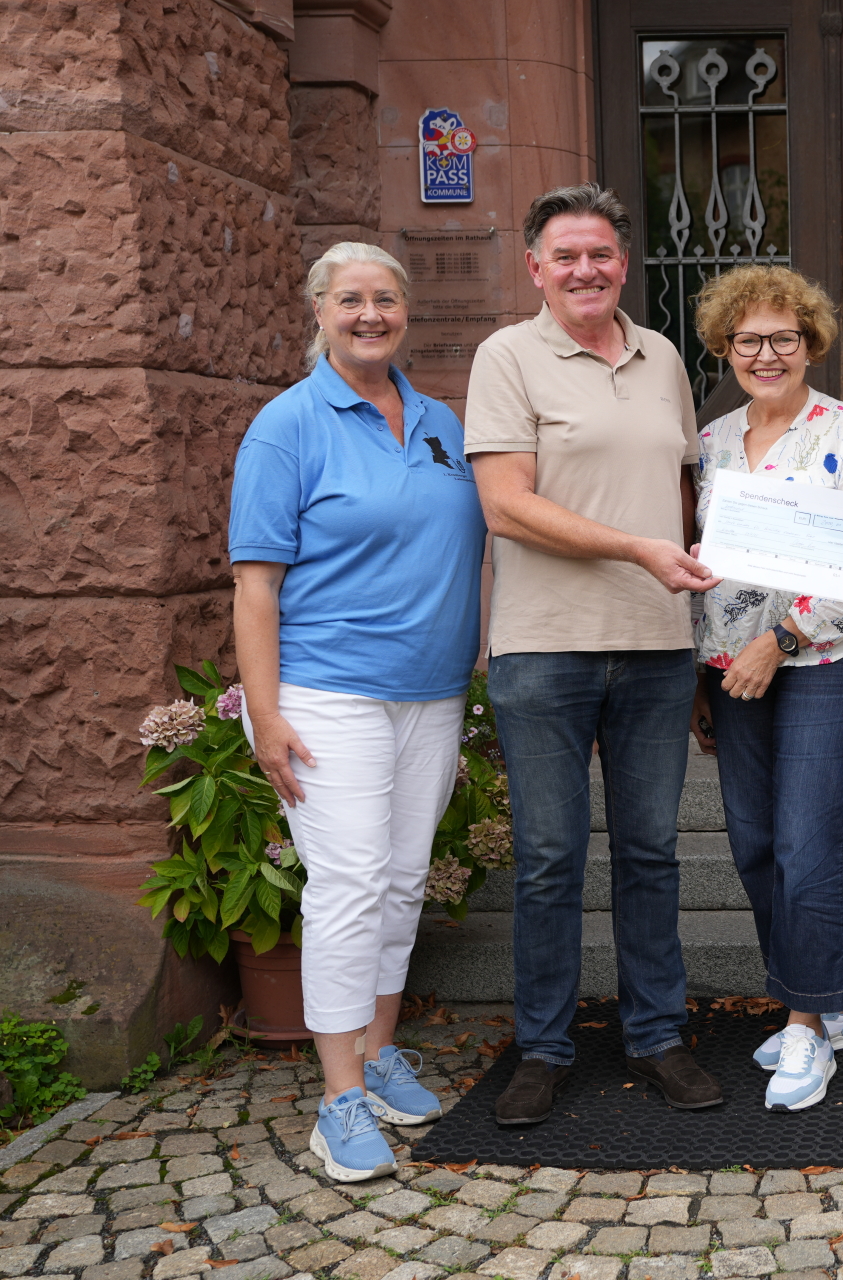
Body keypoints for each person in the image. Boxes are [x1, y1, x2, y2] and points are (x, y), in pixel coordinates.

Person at [465, 184, 724, 1126]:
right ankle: (543, 1049)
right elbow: (506, 506)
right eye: (566, 256)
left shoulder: (662, 358)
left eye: (602, 254)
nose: (586, 270)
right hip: (544, 650)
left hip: (655, 647)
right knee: (548, 858)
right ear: (536, 268)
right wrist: (638, 550)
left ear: (624, 263)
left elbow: (683, 496)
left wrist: (701, 609)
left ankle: (656, 1035)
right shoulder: (506, 357)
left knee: (651, 852)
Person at [229, 241, 486, 1181]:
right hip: (327, 692)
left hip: (432, 693)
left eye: (385, 298)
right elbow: (255, 587)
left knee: (404, 879)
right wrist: (265, 717)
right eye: (350, 300)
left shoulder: (439, 421)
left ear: (406, 310)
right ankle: (337, 1097)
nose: (369, 314)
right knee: (348, 885)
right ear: (319, 311)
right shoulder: (287, 426)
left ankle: (378, 1056)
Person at [687, 265, 843, 1111]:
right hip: (730, 670)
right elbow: (701, 566)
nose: (766, 354)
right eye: (749, 340)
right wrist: (704, 674)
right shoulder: (710, 442)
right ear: (726, 347)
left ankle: (806, 1025)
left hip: (824, 661)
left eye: (784, 338)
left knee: (807, 846)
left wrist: (779, 641)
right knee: (754, 845)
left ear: (810, 344)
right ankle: (832, 1001)